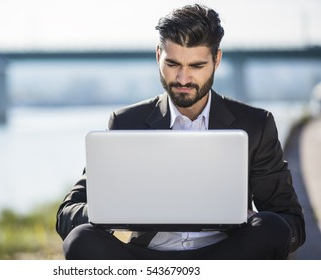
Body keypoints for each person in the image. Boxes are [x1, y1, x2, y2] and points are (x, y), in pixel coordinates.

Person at [56, 4, 305, 259]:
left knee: (272, 228)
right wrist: (113, 211)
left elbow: (291, 222)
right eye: (173, 64)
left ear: (216, 60)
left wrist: (247, 219)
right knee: (80, 239)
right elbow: (67, 215)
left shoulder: (254, 124)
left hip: (225, 255)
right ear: (158, 56)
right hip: (149, 257)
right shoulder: (126, 122)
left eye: (197, 66)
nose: (183, 79)